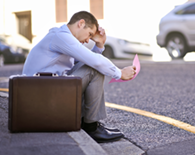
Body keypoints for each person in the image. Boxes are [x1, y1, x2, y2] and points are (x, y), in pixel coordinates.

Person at [22, 11, 136, 143]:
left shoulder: (62, 37)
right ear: (81, 23)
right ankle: (91, 127)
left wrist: (99, 45)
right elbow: (94, 62)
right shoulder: (61, 37)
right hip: (42, 97)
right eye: (90, 34)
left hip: (46, 90)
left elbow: (83, 63)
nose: (88, 40)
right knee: (95, 68)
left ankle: (90, 124)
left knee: (93, 67)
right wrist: (120, 73)